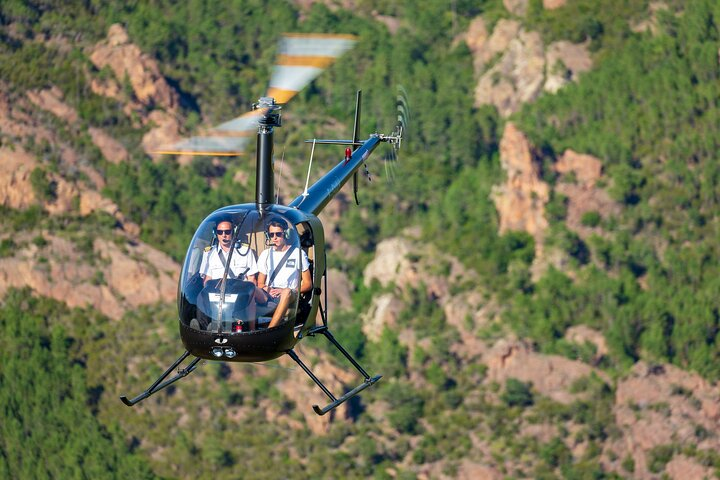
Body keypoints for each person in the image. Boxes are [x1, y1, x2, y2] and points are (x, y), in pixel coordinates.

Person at [257, 219, 311, 328]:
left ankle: (270, 329)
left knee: (286, 292)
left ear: (285, 233)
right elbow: (260, 283)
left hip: (290, 292)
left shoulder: (298, 253)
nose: (275, 237)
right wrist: (268, 289)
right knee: (250, 288)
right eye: (271, 234)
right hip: (269, 292)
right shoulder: (265, 254)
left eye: (278, 234)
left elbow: (308, 284)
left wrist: (287, 291)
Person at [199, 219, 258, 286]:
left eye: (227, 232)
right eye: (220, 232)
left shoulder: (245, 251)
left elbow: (251, 279)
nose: (223, 235)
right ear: (216, 233)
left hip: (240, 292)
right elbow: (207, 280)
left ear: (233, 232)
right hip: (218, 294)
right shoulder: (209, 254)